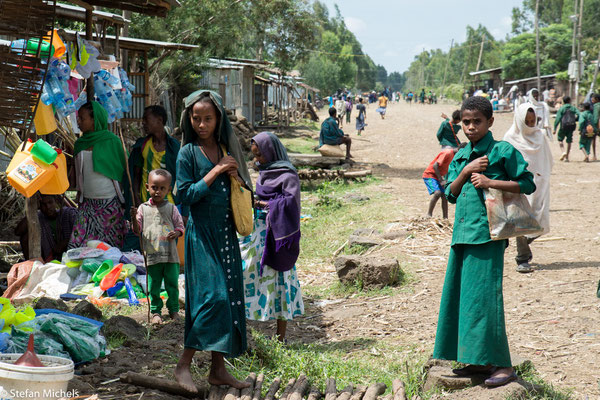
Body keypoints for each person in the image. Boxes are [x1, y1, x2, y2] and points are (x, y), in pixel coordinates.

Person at [433, 96, 535, 387]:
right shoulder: (462, 155)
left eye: (477, 121)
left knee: (487, 299)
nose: (471, 127)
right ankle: (477, 360)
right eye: (466, 122)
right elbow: (451, 195)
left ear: (490, 122)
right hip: (462, 236)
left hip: (487, 236)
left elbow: (527, 183)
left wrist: (490, 182)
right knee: (464, 299)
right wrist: (465, 172)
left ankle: (503, 364)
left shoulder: (502, 151)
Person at [175, 90, 252, 391]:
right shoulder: (187, 153)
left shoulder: (225, 150)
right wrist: (216, 172)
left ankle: (218, 370)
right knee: (213, 298)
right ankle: (183, 364)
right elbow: (184, 195)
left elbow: (241, 190)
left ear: (218, 119)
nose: (201, 124)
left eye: (207, 118)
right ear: (189, 119)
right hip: (201, 235)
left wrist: (235, 176)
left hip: (225, 234)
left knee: (230, 299)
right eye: (196, 118)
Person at [239, 132, 304, 342]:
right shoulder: (265, 172)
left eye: (260, 155)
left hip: (278, 236)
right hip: (259, 231)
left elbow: (290, 203)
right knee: (249, 271)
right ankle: (247, 327)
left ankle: (280, 335)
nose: (257, 160)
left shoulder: (288, 174)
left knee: (280, 280)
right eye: (255, 155)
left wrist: (261, 204)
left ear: (271, 152)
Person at [68, 101, 127, 249]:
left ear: (94, 120)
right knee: (78, 246)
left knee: (111, 248)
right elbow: (76, 175)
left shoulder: (112, 141)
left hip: (110, 205)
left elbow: (122, 173)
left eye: (82, 118)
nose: (79, 122)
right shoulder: (80, 143)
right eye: (78, 118)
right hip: (87, 204)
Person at [504, 104, 553, 273]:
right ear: (519, 120)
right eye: (527, 121)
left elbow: (548, 159)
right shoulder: (510, 138)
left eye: (533, 121)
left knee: (539, 220)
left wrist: (544, 177)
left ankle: (525, 241)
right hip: (518, 185)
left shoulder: (540, 136)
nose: (530, 124)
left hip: (539, 184)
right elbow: (504, 162)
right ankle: (522, 258)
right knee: (521, 220)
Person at [131, 169, 184, 324]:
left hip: (170, 255)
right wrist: (134, 218)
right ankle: (155, 311)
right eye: (154, 187)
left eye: (162, 188)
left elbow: (180, 226)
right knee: (153, 285)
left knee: (172, 284)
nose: (158, 192)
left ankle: (174, 309)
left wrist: (176, 233)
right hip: (152, 255)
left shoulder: (172, 208)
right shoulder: (143, 209)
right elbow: (137, 230)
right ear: (147, 187)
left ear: (168, 189)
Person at [129, 105, 181, 208]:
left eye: (146, 119)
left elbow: (182, 178)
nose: (143, 122)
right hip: (146, 204)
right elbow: (136, 176)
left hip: (170, 206)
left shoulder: (175, 147)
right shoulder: (142, 145)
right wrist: (136, 199)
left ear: (159, 120)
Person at [15, 194, 76, 262]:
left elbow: (80, 233)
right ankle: (32, 264)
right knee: (25, 237)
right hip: (48, 256)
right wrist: (34, 208)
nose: (48, 207)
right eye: (43, 204)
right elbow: (18, 232)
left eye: (50, 202)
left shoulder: (68, 213)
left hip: (70, 254)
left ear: (55, 202)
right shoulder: (39, 217)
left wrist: (65, 242)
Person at [422, 145, 464, 219]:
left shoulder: (455, 156)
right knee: (437, 193)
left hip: (439, 176)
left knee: (445, 196)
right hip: (430, 175)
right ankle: (429, 214)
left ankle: (445, 218)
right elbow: (435, 165)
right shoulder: (447, 153)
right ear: (458, 149)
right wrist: (441, 180)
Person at [553, 96, 579, 162]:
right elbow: (579, 114)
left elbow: (558, 119)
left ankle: (563, 151)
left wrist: (555, 128)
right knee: (569, 141)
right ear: (570, 101)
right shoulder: (573, 108)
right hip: (571, 126)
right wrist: (576, 119)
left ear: (563, 101)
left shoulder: (562, 108)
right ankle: (567, 157)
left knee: (560, 139)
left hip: (563, 126)